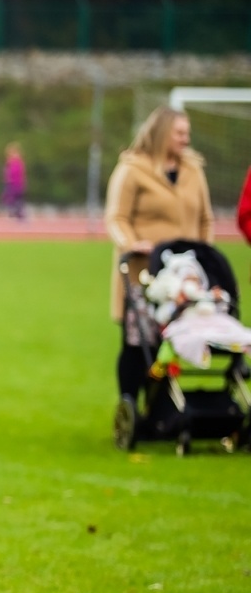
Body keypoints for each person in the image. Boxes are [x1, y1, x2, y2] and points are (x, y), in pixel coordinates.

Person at [104, 106, 213, 398]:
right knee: (138, 344)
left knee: (172, 341)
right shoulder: (132, 169)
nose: (184, 139)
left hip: (184, 276)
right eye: (179, 132)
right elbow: (116, 218)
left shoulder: (193, 170)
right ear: (162, 133)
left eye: (187, 133)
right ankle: (129, 403)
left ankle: (163, 406)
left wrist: (207, 255)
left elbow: (205, 219)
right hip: (144, 274)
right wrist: (131, 244)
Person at [1, 143, 25, 220]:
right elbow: (7, 172)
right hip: (11, 183)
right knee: (9, 198)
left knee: (16, 198)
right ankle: (13, 211)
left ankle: (18, 212)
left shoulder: (18, 162)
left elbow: (18, 173)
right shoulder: (10, 162)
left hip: (16, 183)